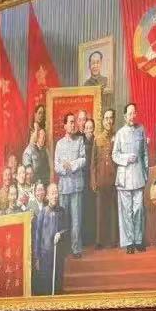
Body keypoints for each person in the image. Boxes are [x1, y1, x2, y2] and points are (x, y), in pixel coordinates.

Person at [112, 103, 149, 253]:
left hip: (138, 175)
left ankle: (139, 240)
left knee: (138, 209)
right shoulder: (120, 133)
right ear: (124, 116)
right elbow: (115, 155)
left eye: (134, 113)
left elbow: (145, 153)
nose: (132, 116)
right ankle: (129, 242)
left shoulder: (141, 130)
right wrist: (126, 158)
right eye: (129, 114)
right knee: (126, 211)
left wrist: (146, 173)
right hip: (124, 177)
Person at [54, 113, 88, 258]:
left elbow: (83, 160)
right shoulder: (59, 144)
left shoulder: (80, 141)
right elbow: (56, 166)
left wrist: (71, 165)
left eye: (74, 122)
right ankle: (64, 248)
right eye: (70, 122)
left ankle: (76, 249)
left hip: (76, 186)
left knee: (76, 220)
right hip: (64, 187)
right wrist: (65, 168)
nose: (73, 125)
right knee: (63, 220)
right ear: (65, 126)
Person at [32, 182, 68, 295]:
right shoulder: (43, 213)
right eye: (52, 193)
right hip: (45, 255)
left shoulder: (62, 211)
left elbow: (67, 229)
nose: (55, 196)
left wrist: (60, 234)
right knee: (46, 283)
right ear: (47, 196)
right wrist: (37, 257)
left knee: (58, 282)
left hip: (58, 253)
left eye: (56, 193)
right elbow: (38, 236)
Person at [93, 109, 118, 249]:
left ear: (113, 121)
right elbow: (93, 163)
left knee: (113, 211)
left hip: (114, 179)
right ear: (103, 121)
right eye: (106, 118)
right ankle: (100, 241)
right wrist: (94, 181)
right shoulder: (98, 139)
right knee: (100, 211)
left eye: (111, 118)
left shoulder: (117, 137)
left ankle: (113, 240)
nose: (108, 121)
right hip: (101, 180)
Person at [82, 118, 99, 243]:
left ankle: (94, 237)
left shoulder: (96, 142)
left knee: (94, 208)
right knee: (85, 208)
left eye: (91, 128)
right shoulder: (80, 143)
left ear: (94, 129)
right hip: (83, 178)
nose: (89, 130)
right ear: (84, 129)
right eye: (86, 128)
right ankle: (85, 238)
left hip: (94, 178)